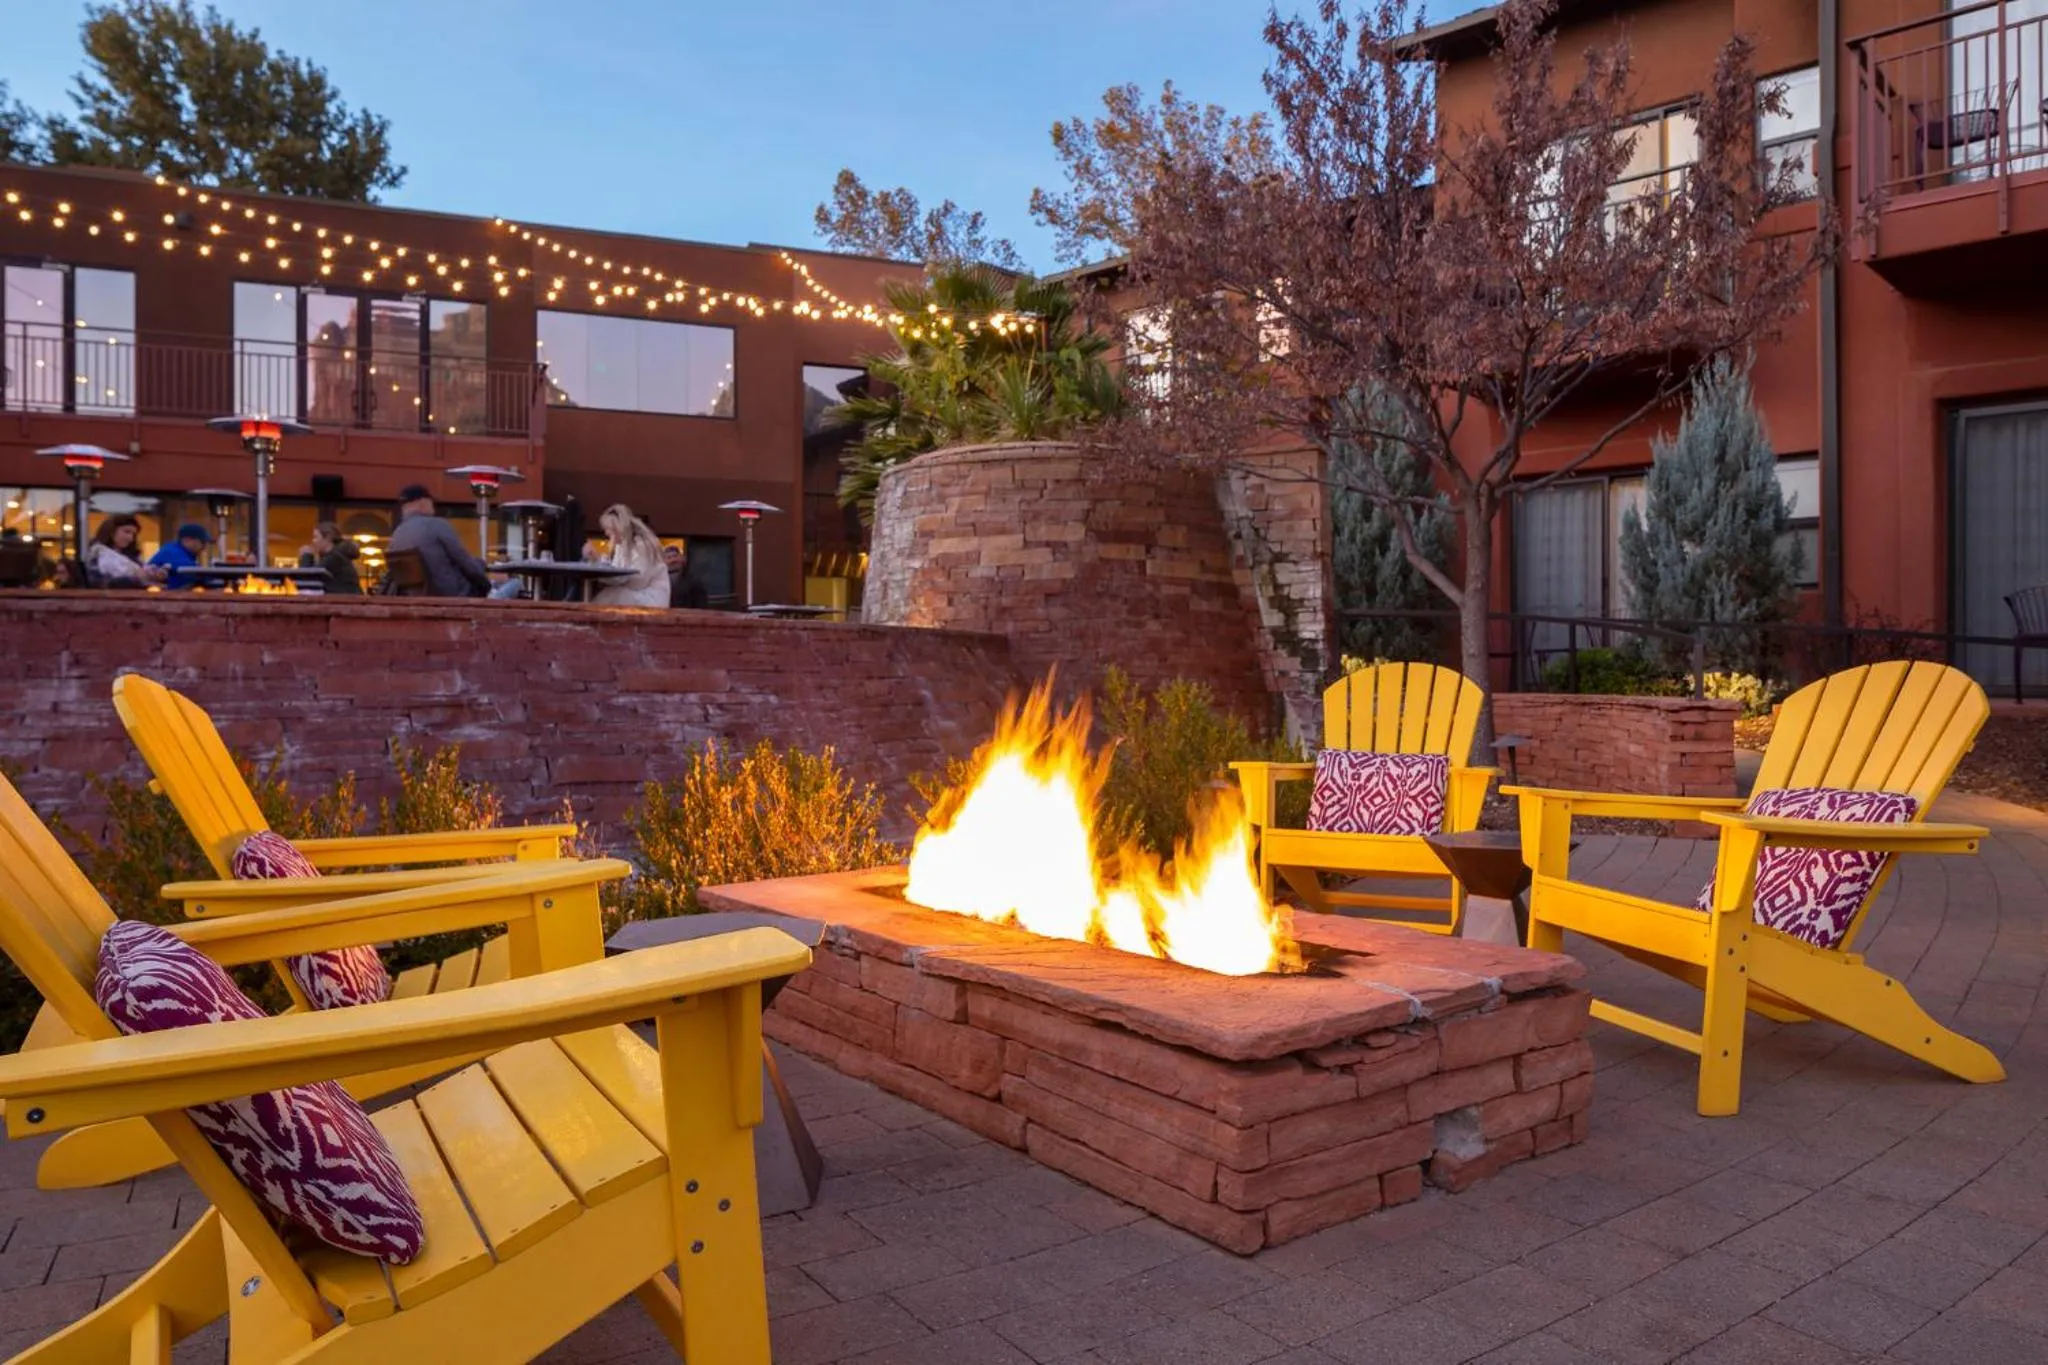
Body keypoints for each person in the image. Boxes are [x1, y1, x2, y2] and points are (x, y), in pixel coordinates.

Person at [384, 485, 491, 597]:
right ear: (422, 502)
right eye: (431, 502)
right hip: (449, 594)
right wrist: (485, 582)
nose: (433, 506)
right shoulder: (437, 525)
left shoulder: (397, 533)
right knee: (479, 565)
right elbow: (463, 559)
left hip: (415, 595)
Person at [591, 503, 670, 608]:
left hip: (651, 598)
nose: (606, 533)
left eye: (608, 528)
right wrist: (600, 561)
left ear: (618, 527)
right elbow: (616, 571)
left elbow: (638, 582)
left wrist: (601, 563)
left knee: (612, 595)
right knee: (608, 594)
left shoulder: (642, 545)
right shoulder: (622, 546)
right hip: (636, 594)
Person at [84, 516, 164, 588]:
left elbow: (144, 576)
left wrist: (155, 576)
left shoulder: (133, 558)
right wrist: (134, 580)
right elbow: (96, 583)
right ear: (111, 531)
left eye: (133, 534)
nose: (130, 538)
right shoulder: (97, 553)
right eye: (126, 532)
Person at [298, 522, 363, 595]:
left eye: (316, 537)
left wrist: (306, 556)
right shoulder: (337, 556)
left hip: (344, 603)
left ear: (328, 538)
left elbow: (307, 580)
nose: (313, 541)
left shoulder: (334, 558)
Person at [147, 523, 212, 589]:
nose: (204, 547)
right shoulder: (173, 552)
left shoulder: (179, 550)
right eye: (202, 542)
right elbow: (192, 572)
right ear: (187, 540)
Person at [665, 542, 709, 609]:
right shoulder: (660, 580)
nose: (673, 560)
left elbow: (701, 605)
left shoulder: (694, 580)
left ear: (683, 558)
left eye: (675, 556)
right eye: (669, 557)